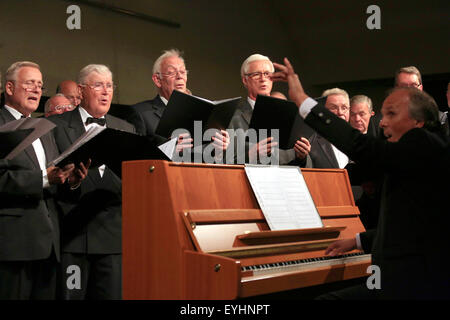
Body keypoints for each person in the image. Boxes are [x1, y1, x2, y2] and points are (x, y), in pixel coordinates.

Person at [272, 57, 449, 299]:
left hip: (413, 284)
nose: (383, 122)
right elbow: (408, 226)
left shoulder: (421, 143)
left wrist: (302, 100)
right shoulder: (419, 151)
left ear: (418, 121)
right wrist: (356, 240)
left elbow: (359, 145)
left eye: (392, 114)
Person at [48, 64, 138, 300]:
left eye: (109, 86)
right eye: (98, 85)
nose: (106, 91)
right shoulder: (57, 127)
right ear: (80, 91)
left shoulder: (126, 128)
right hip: (74, 237)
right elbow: (50, 180)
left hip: (113, 239)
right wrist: (74, 182)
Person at [0, 61, 87, 300]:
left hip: (49, 244)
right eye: (30, 83)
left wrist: (71, 180)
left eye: (40, 85)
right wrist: (42, 179)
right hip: (13, 245)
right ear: (9, 88)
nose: (37, 89)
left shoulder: (44, 128)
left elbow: (53, 180)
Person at [127, 49, 227, 160]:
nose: (179, 76)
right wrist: (170, 149)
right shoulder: (141, 113)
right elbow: (136, 159)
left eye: (183, 72)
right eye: (172, 72)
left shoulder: (200, 112)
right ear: (157, 80)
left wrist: (219, 148)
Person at [228, 53, 310, 165]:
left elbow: (308, 165)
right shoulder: (233, 118)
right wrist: (250, 155)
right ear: (245, 80)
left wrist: (302, 156)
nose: (263, 79)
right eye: (256, 74)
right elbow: (225, 163)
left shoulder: (290, 114)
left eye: (267, 74)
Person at [307, 88, 350, 169]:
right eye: (334, 107)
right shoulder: (310, 141)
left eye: (344, 108)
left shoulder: (356, 141)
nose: (340, 112)